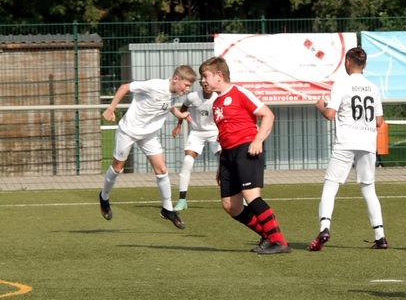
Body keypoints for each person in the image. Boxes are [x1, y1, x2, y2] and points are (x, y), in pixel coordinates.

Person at [199, 56, 291, 254]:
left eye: (205, 76)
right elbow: (225, 133)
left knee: (251, 196)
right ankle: (268, 236)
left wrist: (258, 140)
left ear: (219, 75)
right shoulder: (217, 102)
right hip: (227, 155)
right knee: (230, 205)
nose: (203, 81)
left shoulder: (239, 93)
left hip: (246, 149)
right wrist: (222, 164)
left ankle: (279, 241)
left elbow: (268, 114)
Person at [308, 46, 389, 251]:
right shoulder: (373, 87)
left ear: (347, 62)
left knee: (331, 186)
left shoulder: (341, 84)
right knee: (368, 189)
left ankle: (324, 228)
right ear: (365, 64)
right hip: (367, 143)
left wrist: (320, 105)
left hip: (346, 142)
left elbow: (330, 114)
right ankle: (380, 236)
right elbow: (379, 121)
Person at [98, 66, 196, 228]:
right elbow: (125, 87)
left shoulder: (174, 93)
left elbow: (167, 105)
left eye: (189, 87)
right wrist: (111, 108)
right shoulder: (155, 85)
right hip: (128, 131)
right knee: (117, 168)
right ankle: (104, 197)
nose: (187, 89)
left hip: (149, 135)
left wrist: (179, 114)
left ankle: (168, 209)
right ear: (175, 79)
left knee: (162, 170)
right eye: (186, 85)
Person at [170, 80, 220, 211]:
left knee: (226, 163)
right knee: (187, 161)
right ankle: (182, 201)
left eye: (209, 81)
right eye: (204, 82)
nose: (207, 84)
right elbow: (183, 108)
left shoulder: (218, 97)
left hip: (214, 132)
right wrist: (179, 125)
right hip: (197, 133)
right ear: (201, 83)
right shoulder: (192, 96)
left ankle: (239, 198)